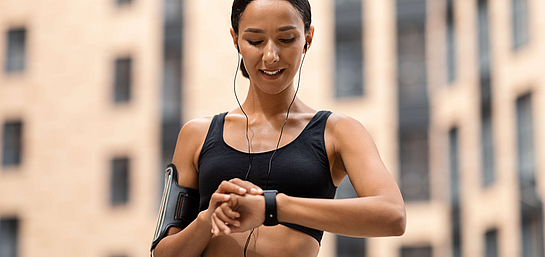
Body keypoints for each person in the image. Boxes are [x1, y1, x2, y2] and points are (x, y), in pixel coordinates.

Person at [152, 0, 406, 256]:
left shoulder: (338, 132)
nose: (271, 56)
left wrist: (272, 207)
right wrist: (207, 220)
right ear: (235, 39)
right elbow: (162, 254)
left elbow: (393, 215)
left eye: (285, 39)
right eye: (255, 41)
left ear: (308, 38)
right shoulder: (197, 135)